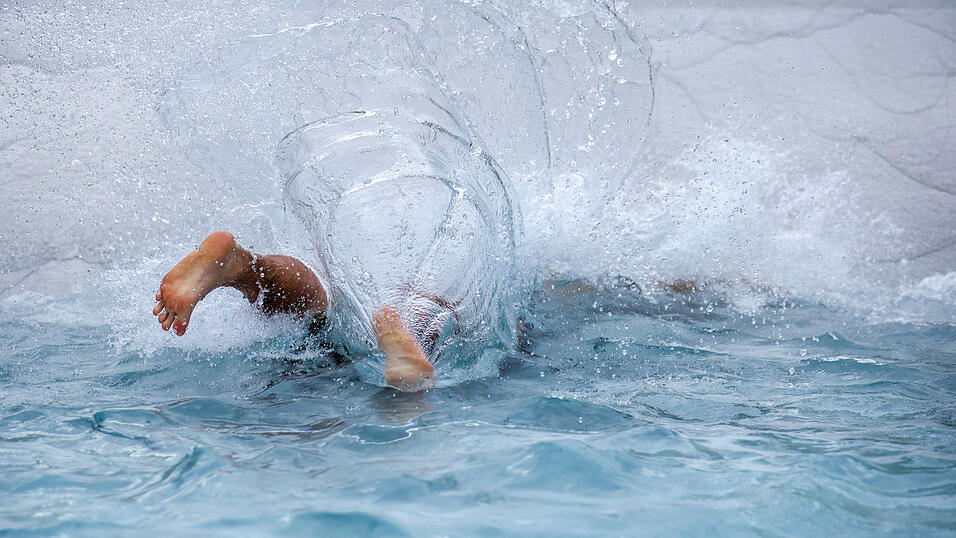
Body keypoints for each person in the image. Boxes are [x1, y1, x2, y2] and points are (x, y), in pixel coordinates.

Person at [152, 230, 436, 391]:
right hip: (353, 361)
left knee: (317, 315)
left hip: (307, 351)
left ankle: (244, 267)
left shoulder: (362, 255)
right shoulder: (422, 272)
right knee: (439, 313)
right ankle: (400, 338)